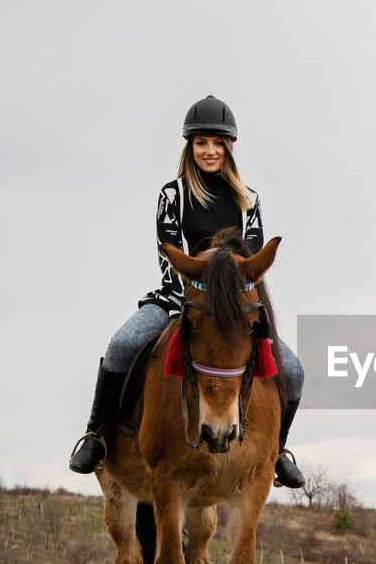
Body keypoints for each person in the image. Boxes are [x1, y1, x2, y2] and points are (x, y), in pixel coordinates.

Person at [68, 95, 305, 488]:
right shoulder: (172, 195)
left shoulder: (249, 202)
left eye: (217, 143)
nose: (209, 151)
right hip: (180, 300)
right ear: (189, 146)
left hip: (235, 310)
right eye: (201, 143)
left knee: (294, 372)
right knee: (122, 344)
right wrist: (198, 300)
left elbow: (250, 265)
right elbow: (168, 255)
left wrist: (229, 306)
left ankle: (278, 451)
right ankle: (96, 435)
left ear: (229, 147)